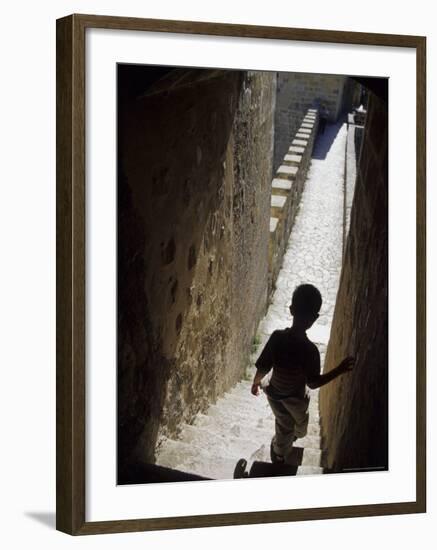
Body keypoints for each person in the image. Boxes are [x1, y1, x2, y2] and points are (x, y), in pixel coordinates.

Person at [251, 284, 354, 464]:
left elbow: (264, 365)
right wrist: (339, 370)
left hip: (275, 393)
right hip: (295, 399)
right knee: (289, 428)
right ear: (314, 319)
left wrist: (256, 382)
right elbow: (313, 383)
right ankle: (279, 453)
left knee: (292, 426)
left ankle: (284, 444)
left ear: (291, 310)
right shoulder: (310, 351)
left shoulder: (277, 337)